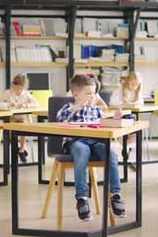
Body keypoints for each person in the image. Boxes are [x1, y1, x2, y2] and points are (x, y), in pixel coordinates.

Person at [56, 74, 126, 221]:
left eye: (94, 94)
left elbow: (106, 124)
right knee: (82, 152)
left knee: (111, 154)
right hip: (76, 142)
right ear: (76, 94)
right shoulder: (68, 108)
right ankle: (81, 198)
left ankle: (115, 195)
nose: (92, 97)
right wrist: (77, 106)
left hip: (95, 142)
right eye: (88, 93)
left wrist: (116, 118)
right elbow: (60, 119)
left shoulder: (97, 110)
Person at [0, 73, 39, 163]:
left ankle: (21, 149)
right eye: (16, 89)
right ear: (13, 86)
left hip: (22, 117)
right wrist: (8, 104)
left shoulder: (27, 95)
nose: (18, 91)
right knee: (10, 127)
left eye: (20, 89)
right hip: (11, 117)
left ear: (24, 87)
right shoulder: (7, 93)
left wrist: (25, 105)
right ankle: (15, 146)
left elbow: (36, 104)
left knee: (23, 125)